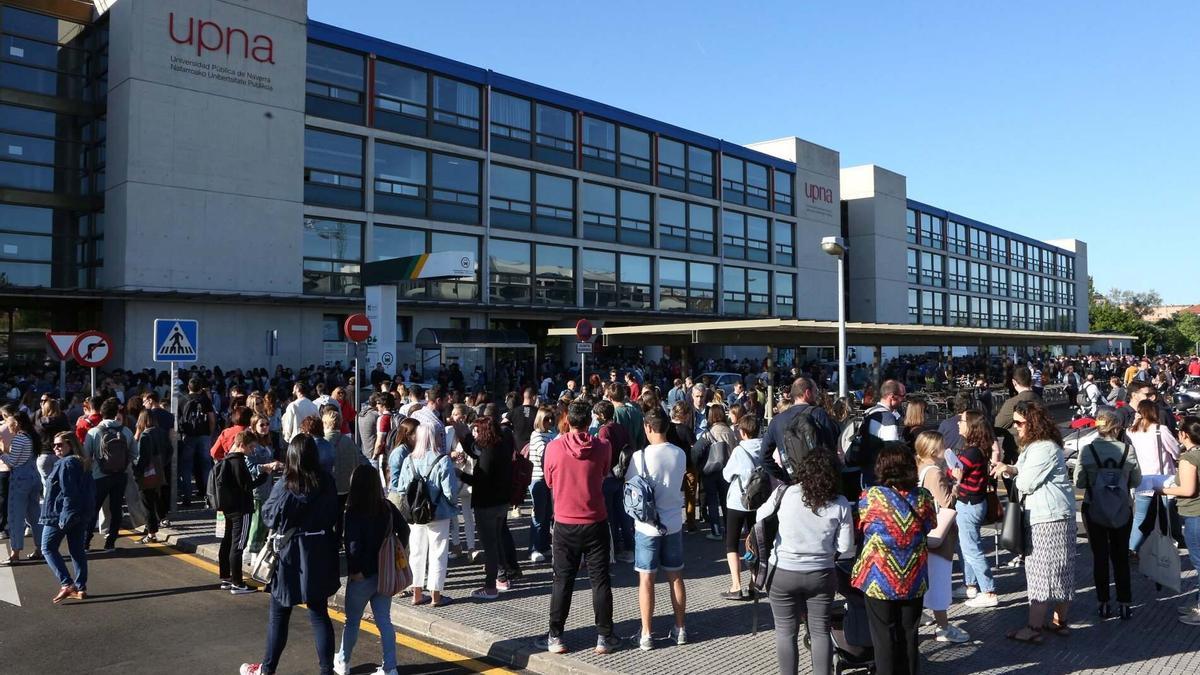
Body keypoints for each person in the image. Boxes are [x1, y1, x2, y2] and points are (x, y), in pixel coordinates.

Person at [239, 435, 341, 675]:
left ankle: (267, 669)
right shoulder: (326, 480)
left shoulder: (287, 483)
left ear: (291, 456)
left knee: (279, 614)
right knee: (319, 613)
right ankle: (326, 670)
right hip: (320, 549)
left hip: (290, 553)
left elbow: (269, 516)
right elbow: (334, 513)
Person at [758, 450, 854, 674]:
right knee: (820, 631)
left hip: (782, 571)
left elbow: (759, 517)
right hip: (821, 573)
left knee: (785, 631)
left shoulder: (785, 493)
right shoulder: (840, 503)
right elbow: (845, 547)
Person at [990, 400, 1076, 644]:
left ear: (1033, 423)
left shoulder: (1042, 448)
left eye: (1019, 423)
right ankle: (1059, 622)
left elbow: (1027, 483)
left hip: (1047, 517)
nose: (1016, 427)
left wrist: (1011, 473)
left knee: (1040, 571)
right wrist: (1009, 468)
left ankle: (1033, 628)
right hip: (1056, 515)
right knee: (1061, 569)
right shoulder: (1040, 446)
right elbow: (1022, 470)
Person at [538, 400, 618, 655]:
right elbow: (604, 472)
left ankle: (555, 636)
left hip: (565, 522)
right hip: (595, 520)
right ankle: (604, 636)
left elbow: (549, 481)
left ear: (567, 420)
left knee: (562, 580)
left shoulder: (553, 448)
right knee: (600, 580)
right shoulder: (603, 446)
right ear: (589, 422)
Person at [851, 442, 935, 675]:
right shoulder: (923, 497)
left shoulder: (871, 497)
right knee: (909, 633)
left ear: (882, 467)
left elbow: (862, 527)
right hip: (913, 578)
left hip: (879, 578)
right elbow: (930, 525)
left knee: (883, 636)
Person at [335, 465, 407, 675]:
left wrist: (357, 570)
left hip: (362, 576)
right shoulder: (387, 507)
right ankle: (390, 667)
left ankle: (343, 662)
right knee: (384, 621)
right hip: (385, 573)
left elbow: (353, 546)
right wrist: (396, 551)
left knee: (352, 622)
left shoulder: (353, 511)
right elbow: (404, 530)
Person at [626, 409, 688, 650]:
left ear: (648, 427)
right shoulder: (680, 454)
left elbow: (631, 486)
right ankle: (680, 628)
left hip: (646, 526)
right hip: (673, 523)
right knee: (676, 577)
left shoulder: (639, 456)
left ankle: (646, 634)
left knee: (646, 579)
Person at [1073, 410, 1140, 620]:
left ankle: (1103, 602)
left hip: (1094, 507)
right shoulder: (1127, 450)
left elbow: (1079, 482)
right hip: (1121, 507)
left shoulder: (1087, 450)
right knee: (1121, 557)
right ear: (1117, 428)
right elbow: (1136, 480)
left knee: (1100, 557)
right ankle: (1124, 602)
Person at [915, 431, 971, 642]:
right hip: (939, 534)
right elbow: (947, 502)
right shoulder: (935, 473)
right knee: (939, 580)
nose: (945, 448)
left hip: (923, 531)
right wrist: (957, 482)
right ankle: (943, 627)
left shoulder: (920, 469)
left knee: (927, 579)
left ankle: (924, 616)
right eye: (941, 445)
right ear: (933, 451)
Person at [457, 416, 520, 599]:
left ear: (484, 432)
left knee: (489, 546)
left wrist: (461, 475)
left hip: (487, 505)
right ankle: (502, 578)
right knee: (497, 540)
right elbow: (474, 450)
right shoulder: (501, 446)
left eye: (477, 431)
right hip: (501, 503)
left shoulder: (488, 452)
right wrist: (466, 437)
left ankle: (490, 586)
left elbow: (481, 480)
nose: (475, 435)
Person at [399, 424, 458, 607]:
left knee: (416, 552)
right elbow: (450, 492)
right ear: (433, 437)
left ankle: (416, 593)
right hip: (439, 513)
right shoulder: (442, 460)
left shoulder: (408, 460)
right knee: (438, 552)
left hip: (416, 514)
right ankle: (436, 596)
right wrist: (452, 505)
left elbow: (402, 488)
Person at [38, 431, 94, 602]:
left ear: (71, 445)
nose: (56, 448)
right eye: (54, 445)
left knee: (47, 548)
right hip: (79, 513)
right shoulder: (82, 462)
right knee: (77, 550)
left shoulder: (66, 463)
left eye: (60, 444)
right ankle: (81, 588)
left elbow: (69, 492)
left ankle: (67, 584)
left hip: (60, 514)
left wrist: (65, 517)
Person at [952, 410, 1000, 608]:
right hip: (974, 502)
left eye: (962, 420)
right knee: (966, 546)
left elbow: (956, 472)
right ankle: (970, 585)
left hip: (969, 504)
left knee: (972, 549)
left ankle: (988, 591)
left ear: (971, 426)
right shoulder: (978, 449)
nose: (958, 423)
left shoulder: (971, 452)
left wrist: (949, 469)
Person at [216, 431, 267, 594]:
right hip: (241, 509)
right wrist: (264, 476)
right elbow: (246, 487)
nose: (252, 450)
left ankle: (226, 577)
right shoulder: (239, 462)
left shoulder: (228, 459)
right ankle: (237, 583)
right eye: (250, 447)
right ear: (241, 445)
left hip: (229, 507)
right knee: (238, 545)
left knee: (227, 541)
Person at [1126, 399, 1180, 554]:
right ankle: (1168, 545)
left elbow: (1129, 429)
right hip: (1163, 479)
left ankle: (1132, 548)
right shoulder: (1160, 429)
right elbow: (1176, 452)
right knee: (1167, 515)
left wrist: (1135, 420)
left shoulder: (1132, 432)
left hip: (1143, 478)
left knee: (1140, 516)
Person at [720, 414, 764, 600]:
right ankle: (754, 583)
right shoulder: (765, 447)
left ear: (743, 432)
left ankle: (736, 585)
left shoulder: (739, 451)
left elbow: (727, 475)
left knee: (732, 543)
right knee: (754, 542)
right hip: (759, 502)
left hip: (738, 501)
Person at [1162, 416, 1200, 625]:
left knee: (1199, 562)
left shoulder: (1189, 458)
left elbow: (1187, 489)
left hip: (1195, 514)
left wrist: (1162, 489)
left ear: (1184, 434)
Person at [83, 398, 133, 552]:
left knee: (93, 509)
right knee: (116, 509)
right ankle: (110, 543)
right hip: (120, 475)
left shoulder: (93, 432)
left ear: (101, 413)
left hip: (99, 476)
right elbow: (134, 453)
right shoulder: (126, 431)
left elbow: (86, 456)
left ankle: (85, 542)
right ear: (116, 413)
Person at [1, 407, 43, 564]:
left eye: (11, 424)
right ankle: (40, 549)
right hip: (33, 477)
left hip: (20, 479)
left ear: (17, 424)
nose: (9, 427)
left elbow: (12, 462)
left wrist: (1, 454)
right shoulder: (32, 437)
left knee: (15, 517)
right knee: (35, 516)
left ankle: (15, 553)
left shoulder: (19, 438)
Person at [594, 400, 635, 563]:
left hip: (609, 476)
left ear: (602, 415)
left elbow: (604, 453)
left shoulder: (604, 431)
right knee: (623, 513)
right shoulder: (620, 427)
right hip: (621, 474)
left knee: (610, 515)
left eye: (596, 414)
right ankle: (630, 547)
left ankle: (615, 548)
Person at [691, 405, 739, 541]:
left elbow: (696, 451)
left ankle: (716, 531)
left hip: (710, 470)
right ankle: (730, 530)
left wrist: (699, 466)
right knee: (726, 501)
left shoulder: (709, 433)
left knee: (712, 501)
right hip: (727, 470)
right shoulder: (730, 432)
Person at [322, 407, 361, 535]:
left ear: (325, 423)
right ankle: (338, 538)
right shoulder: (349, 442)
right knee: (340, 516)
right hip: (346, 486)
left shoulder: (323, 443)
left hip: (328, 487)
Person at [133, 410, 170, 544]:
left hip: (147, 474)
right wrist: (162, 464)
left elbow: (143, 458)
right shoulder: (162, 432)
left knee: (147, 504)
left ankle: (151, 533)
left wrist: (137, 472)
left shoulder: (145, 435)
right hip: (159, 471)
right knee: (156, 499)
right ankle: (160, 521)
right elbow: (170, 450)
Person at [178, 379, 216, 507]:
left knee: (186, 467)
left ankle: (187, 497)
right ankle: (209, 497)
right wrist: (209, 434)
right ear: (200, 388)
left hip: (188, 436)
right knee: (206, 466)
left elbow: (178, 420)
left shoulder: (182, 399)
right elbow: (211, 419)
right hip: (204, 436)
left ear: (188, 387)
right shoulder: (205, 400)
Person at [527, 405, 556, 562]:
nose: (550, 421)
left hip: (549, 480)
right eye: (546, 419)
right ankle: (534, 548)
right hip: (538, 479)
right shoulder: (537, 435)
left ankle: (544, 545)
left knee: (546, 515)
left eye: (551, 418)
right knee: (538, 515)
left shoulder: (551, 434)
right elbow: (544, 456)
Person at [667, 401, 698, 533]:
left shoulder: (667, 428)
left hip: (672, 466)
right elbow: (694, 447)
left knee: (672, 494)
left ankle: (673, 521)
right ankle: (690, 523)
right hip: (688, 465)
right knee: (690, 495)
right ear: (685, 415)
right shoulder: (686, 430)